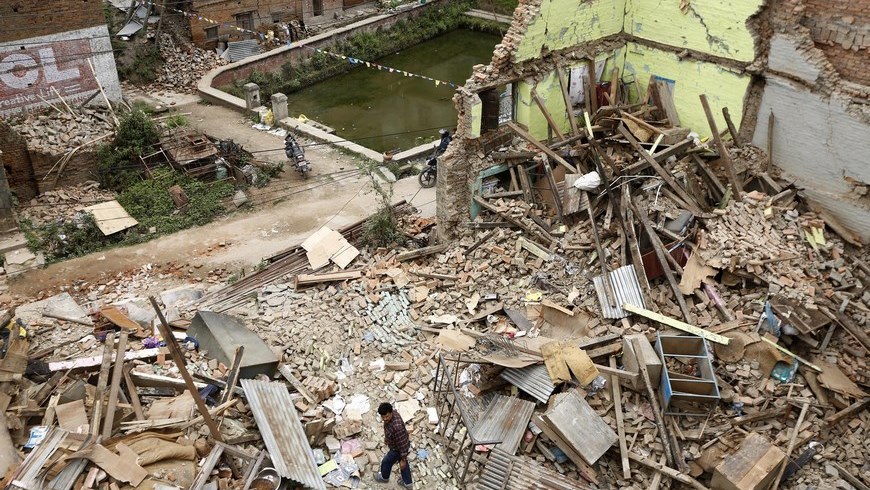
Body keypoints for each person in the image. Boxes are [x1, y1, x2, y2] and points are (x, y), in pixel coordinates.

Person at [374, 402, 412, 488]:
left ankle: (384, 477)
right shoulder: (393, 414)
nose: (384, 419)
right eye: (383, 417)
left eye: (386, 416)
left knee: (386, 462)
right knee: (404, 466)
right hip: (398, 444)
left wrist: (403, 458)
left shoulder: (397, 427)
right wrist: (388, 438)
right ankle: (408, 483)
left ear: (391, 413)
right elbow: (390, 430)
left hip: (398, 449)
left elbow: (402, 445)